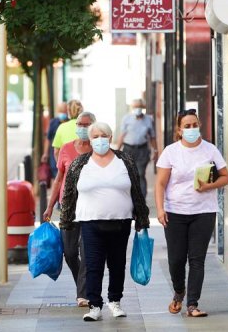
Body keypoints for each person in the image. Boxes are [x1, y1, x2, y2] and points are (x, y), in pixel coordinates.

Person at [60, 122, 150, 322]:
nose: (100, 139)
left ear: (110, 138)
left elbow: (136, 189)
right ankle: (94, 305)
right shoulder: (79, 164)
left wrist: (142, 218)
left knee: (117, 265)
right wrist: (66, 221)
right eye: (96, 136)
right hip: (90, 223)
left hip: (121, 221)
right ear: (90, 140)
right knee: (93, 265)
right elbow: (68, 194)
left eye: (104, 135)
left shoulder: (125, 160)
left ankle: (115, 301)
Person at [154, 109, 228, 318]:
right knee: (176, 260)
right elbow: (160, 183)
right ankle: (179, 291)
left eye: (194, 125)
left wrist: (208, 186)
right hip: (175, 211)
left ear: (199, 126)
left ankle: (192, 304)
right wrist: (160, 209)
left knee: (197, 259)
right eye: (186, 126)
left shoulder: (210, 150)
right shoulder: (171, 152)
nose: (191, 129)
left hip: (203, 212)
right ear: (179, 130)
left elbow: (226, 177)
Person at [42, 111, 96, 307]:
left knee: (87, 249)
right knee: (70, 252)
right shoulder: (65, 149)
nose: (82, 128)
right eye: (80, 124)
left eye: (87, 124)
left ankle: (83, 293)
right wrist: (49, 207)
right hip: (68, 207)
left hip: (91, 207)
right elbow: (58, 180)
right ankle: (85, 285)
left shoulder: (98, 149)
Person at [115, 98, 158, 198]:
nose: (137, 109)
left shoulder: (148, 119)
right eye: (135, 107)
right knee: (129, 174)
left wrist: (155, 150)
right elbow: (122, 135)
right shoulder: (126, 118)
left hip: (142, 150)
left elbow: (152, 137)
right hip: (128, 149)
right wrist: (117, 150)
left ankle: (142, 199)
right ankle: (131, 197)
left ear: (143, 107)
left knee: (140, 173)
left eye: (139, 107)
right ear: (132, 108)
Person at [41, 102, 68, 179]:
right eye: (61, 111)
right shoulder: (53, 122)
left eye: (64, 111)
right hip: (54, 154)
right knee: (55, 175)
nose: (63, 113)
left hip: (66, 153)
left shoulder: (70, 122)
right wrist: (45, 153)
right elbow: (48, 138)